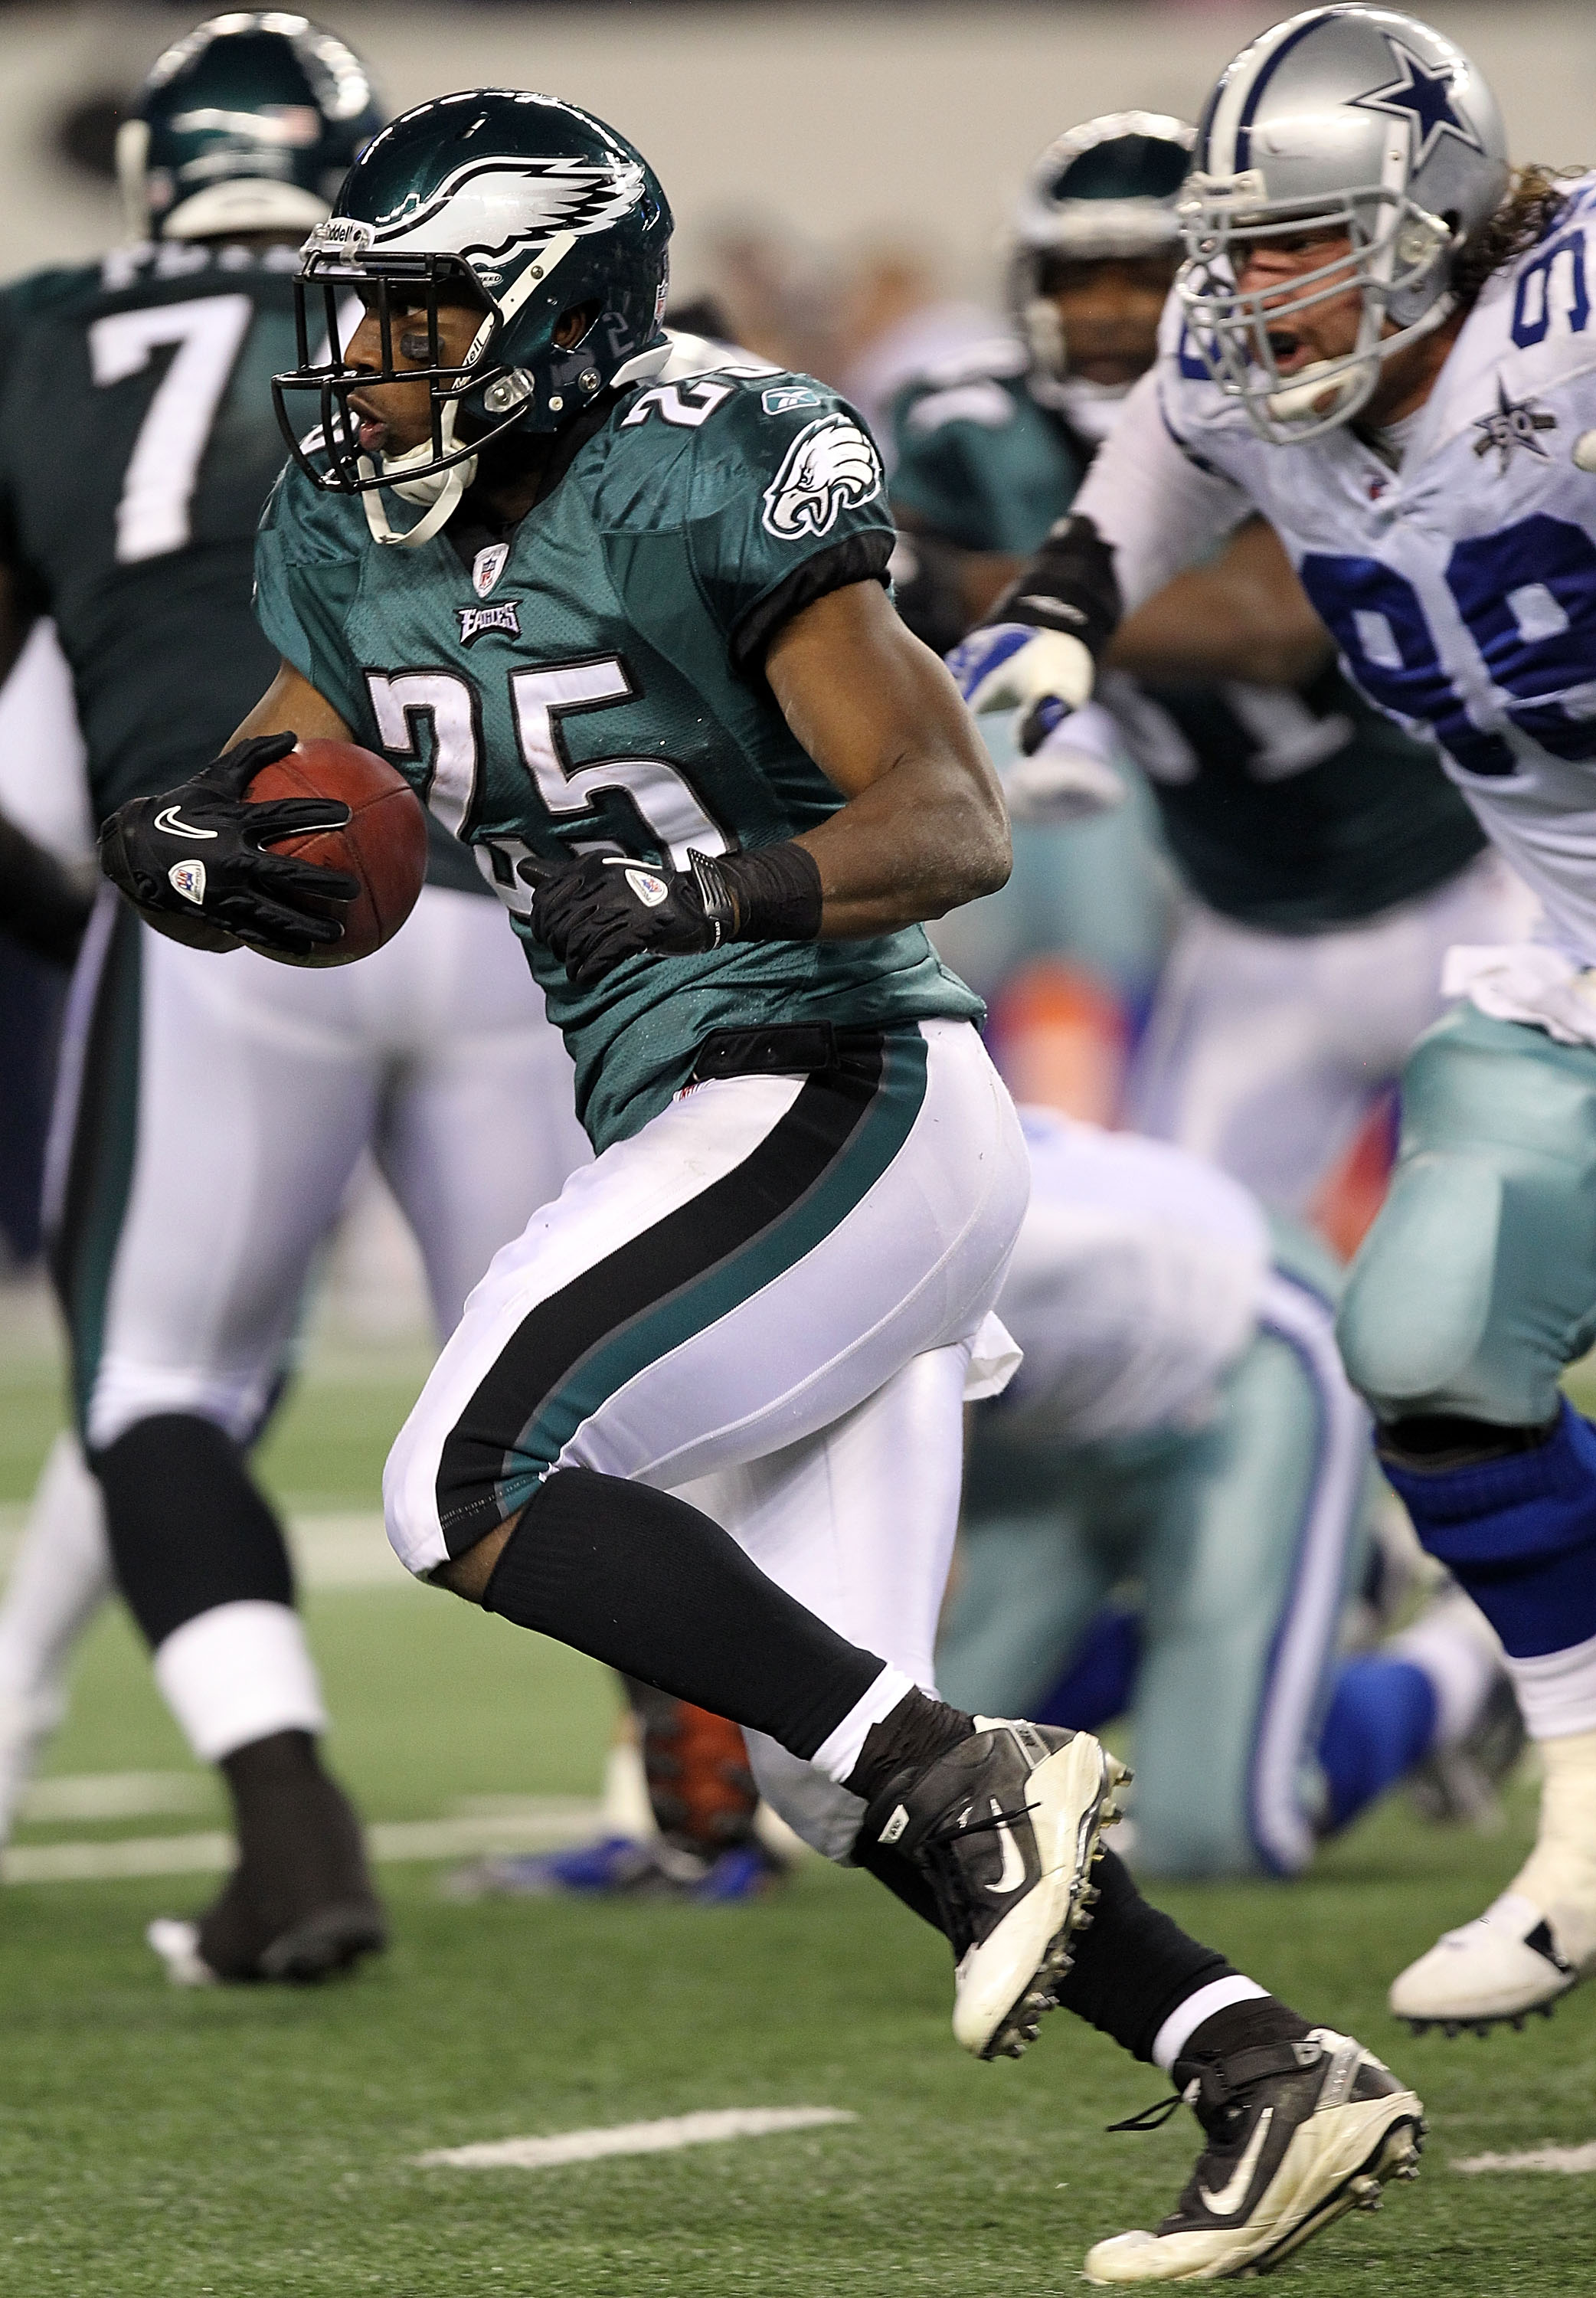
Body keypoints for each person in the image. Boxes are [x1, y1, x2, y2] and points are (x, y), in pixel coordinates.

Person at [101, 88, 1424, 2282]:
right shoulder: (343, 543)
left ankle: (971, 1770)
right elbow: (299, 807)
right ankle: (1263, 2071)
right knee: (833, 1764)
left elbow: (950, 816)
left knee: (462, 1476)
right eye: (363, 324)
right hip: (714, 1130)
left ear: (547, 316)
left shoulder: (705, 466)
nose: (371, 371)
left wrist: (719, 886)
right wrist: (195, 849)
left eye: (418, 322)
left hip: (841, 1086)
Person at [950, 4, 1596, 2037]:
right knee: (1419, 1349)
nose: (1245, 289)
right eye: (1234, 245)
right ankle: (1583, 1812)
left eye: (1295, 239)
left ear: (1422, 220)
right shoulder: (1235, 371)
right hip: (1563, 966)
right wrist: (1046, 630)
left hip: (1454, 912)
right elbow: (1131, 495)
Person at [0, 12, 590, 1984]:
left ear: (155, 172)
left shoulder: (41, 325)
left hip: (218, 880)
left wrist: (67, 894)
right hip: (503, 891)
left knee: (156, 1381)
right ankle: (788, 1763)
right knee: (576, 1384)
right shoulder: (437, 295)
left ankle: (287, 1812)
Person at [894, 108, 1529, 1221]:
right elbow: (863, 569)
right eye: (1076, 279)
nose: (1107, 314)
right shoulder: (971, 426)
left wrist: (956, 588)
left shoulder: (1313, 386)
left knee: (1526, 1238)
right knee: (1200, 1258)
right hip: (1249, 927)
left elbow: (1266, 623)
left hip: (1466, 885)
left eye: (1145, 279)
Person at [940, 1106, 1514, 1878]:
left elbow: (911, 1546)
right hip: (1037, 1418)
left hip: (1239, 1346)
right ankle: (1317, 1592)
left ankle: (1463, 1664)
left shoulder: (878, 1232)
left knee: (1212, 1837)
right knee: (894, 1791)